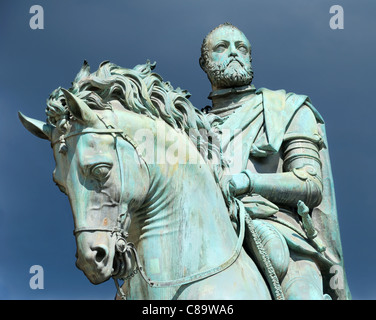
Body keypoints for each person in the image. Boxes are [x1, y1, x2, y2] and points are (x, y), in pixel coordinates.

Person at [199, 23, 351, 300]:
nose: (234, 53)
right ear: (205, 63)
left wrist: (247, 182)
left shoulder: (288, 108)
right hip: (206, 234)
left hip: (284, 236)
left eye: (241, 48)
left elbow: (310, 184)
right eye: (222, 47)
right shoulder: (193, 126)